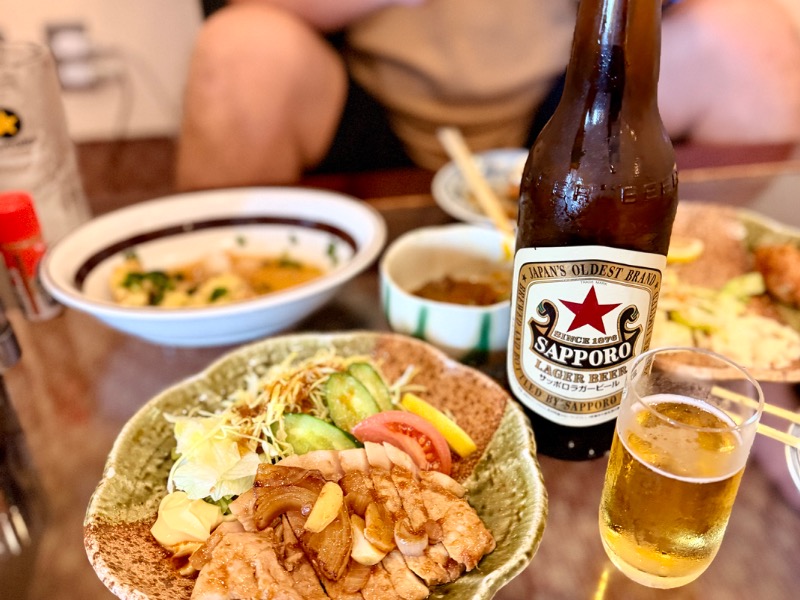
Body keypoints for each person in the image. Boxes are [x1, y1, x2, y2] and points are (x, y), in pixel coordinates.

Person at [175, 0, 800, 191]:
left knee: (753, 37)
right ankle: (220, 312)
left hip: (564, 99)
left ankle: (711, 310)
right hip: (364, 96)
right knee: (240, 48)